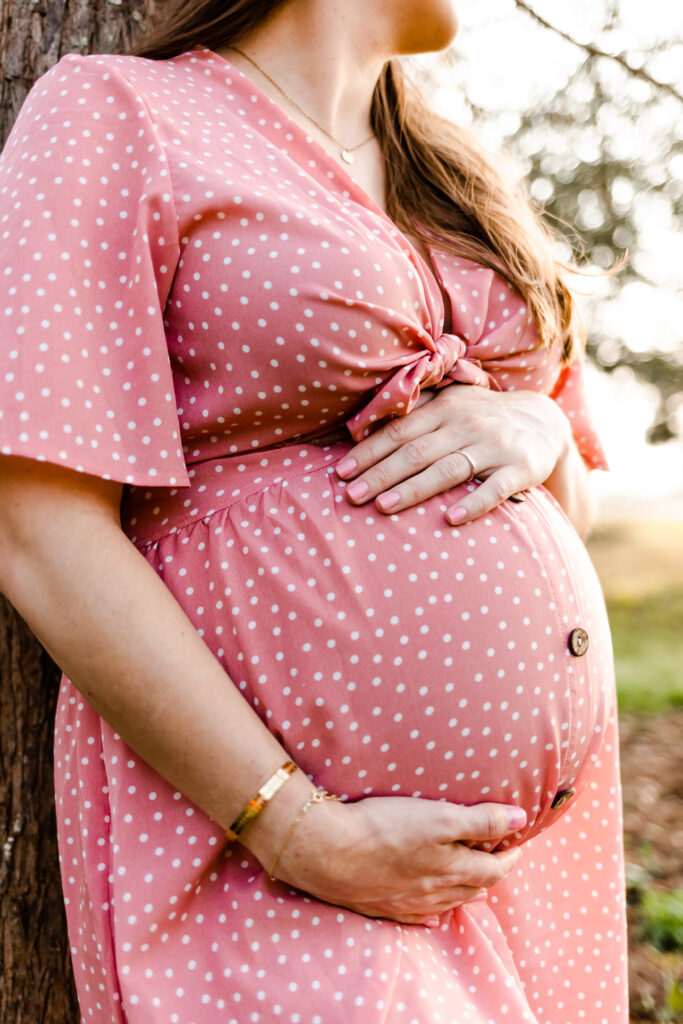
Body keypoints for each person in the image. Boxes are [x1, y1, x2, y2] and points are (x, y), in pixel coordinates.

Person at [0, 1, 628, 1021]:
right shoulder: (120, 111)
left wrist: (532, 430)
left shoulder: (459, 176)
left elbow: (570, 508)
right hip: (263, 840)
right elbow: (40, 526)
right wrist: (290, 825)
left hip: (507, 873)